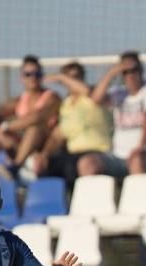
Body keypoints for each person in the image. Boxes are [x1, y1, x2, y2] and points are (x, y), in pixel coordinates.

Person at [90, 51, 146, 176]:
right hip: (118, 157)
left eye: (134, 70)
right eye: (125, 72)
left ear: (141, 70)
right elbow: (96, 99)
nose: (131, 75)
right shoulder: (118, 93)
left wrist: (141, 147)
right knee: (88, 163)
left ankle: (140, 196)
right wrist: (112, 72)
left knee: (137, 161)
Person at [34, 61, 114, 191]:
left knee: (85, 164)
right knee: (43, 165)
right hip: (72, 154)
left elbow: (86, 90)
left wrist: (61, 77)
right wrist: (44, 154)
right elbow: (57, 136)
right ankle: (50, 205)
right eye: (70, 77)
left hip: (97, 153)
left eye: (76, 77)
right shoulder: (66, 105)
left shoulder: (94, 94)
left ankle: (89, 206)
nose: (72, 81)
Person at [0, 55, 61, 178]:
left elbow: (37, 117)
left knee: (34, 128)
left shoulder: (52, 97)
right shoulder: (18, 100)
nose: (33, 78)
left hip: (43, 150)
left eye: (37, 74)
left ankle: (16, 167)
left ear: (42, 76)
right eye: (28, 74)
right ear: (22, 78)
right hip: (21, 146)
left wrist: (6, 127)